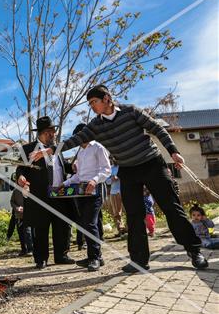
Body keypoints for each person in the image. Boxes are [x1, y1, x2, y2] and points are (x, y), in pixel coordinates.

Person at [31, 85, 208, 273]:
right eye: (89, 103)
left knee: (171, 208)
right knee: (133, 216)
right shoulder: (96, 125)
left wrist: (174, 152)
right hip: (128, 171)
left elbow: (158, 130)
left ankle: (194, 251)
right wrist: (50, 150)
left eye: (94, 102)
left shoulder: (130, 111)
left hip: (151, 164)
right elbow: (75, 139)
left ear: (107, 99)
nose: (91, 106)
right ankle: (139, 260)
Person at [16, 116, 75, 269]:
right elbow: (20, 168)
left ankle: (61, 255)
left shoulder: (56, 149)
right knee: (40, 227)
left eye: (53, 132)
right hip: (39, 194)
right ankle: (41, 258)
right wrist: (20, 177)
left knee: (62, 225)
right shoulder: (28, 149)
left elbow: (62, 166)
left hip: (59, 193)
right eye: (50, 132)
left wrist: (72, 167)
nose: (53, 135)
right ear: (41, 134)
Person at [62, 123, 111, 271]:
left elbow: (107, 169)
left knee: (90, 223)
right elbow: (78, 175)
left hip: (95, 190)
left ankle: (94, 258)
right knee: (84, 223)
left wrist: (95, 180)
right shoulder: (81, 153)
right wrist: (64, 183)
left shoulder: (98, 147)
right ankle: (96, 256)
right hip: (81, 191)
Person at [9, 177, 34, 256]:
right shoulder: (16, 191)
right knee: (20, 232)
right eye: (20, 182)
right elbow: (12, 201)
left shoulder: (30, 191)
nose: (22, 183)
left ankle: (30, 249)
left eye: (23, 182)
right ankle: (23, 249)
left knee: (28, 232)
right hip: (19, 215)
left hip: (28, 215)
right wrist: (16, 208)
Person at [108, 159, 127, 236]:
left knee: (128, 210)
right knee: (116, 212)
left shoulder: (122, 166)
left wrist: (119, 178)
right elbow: (106, 181)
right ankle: (120, 230)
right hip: (113, 192)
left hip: (124, 190)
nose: (113, 159)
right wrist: (111, 180)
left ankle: (128, 228)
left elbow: (127, 177)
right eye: (112, 158)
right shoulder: (110, 168)